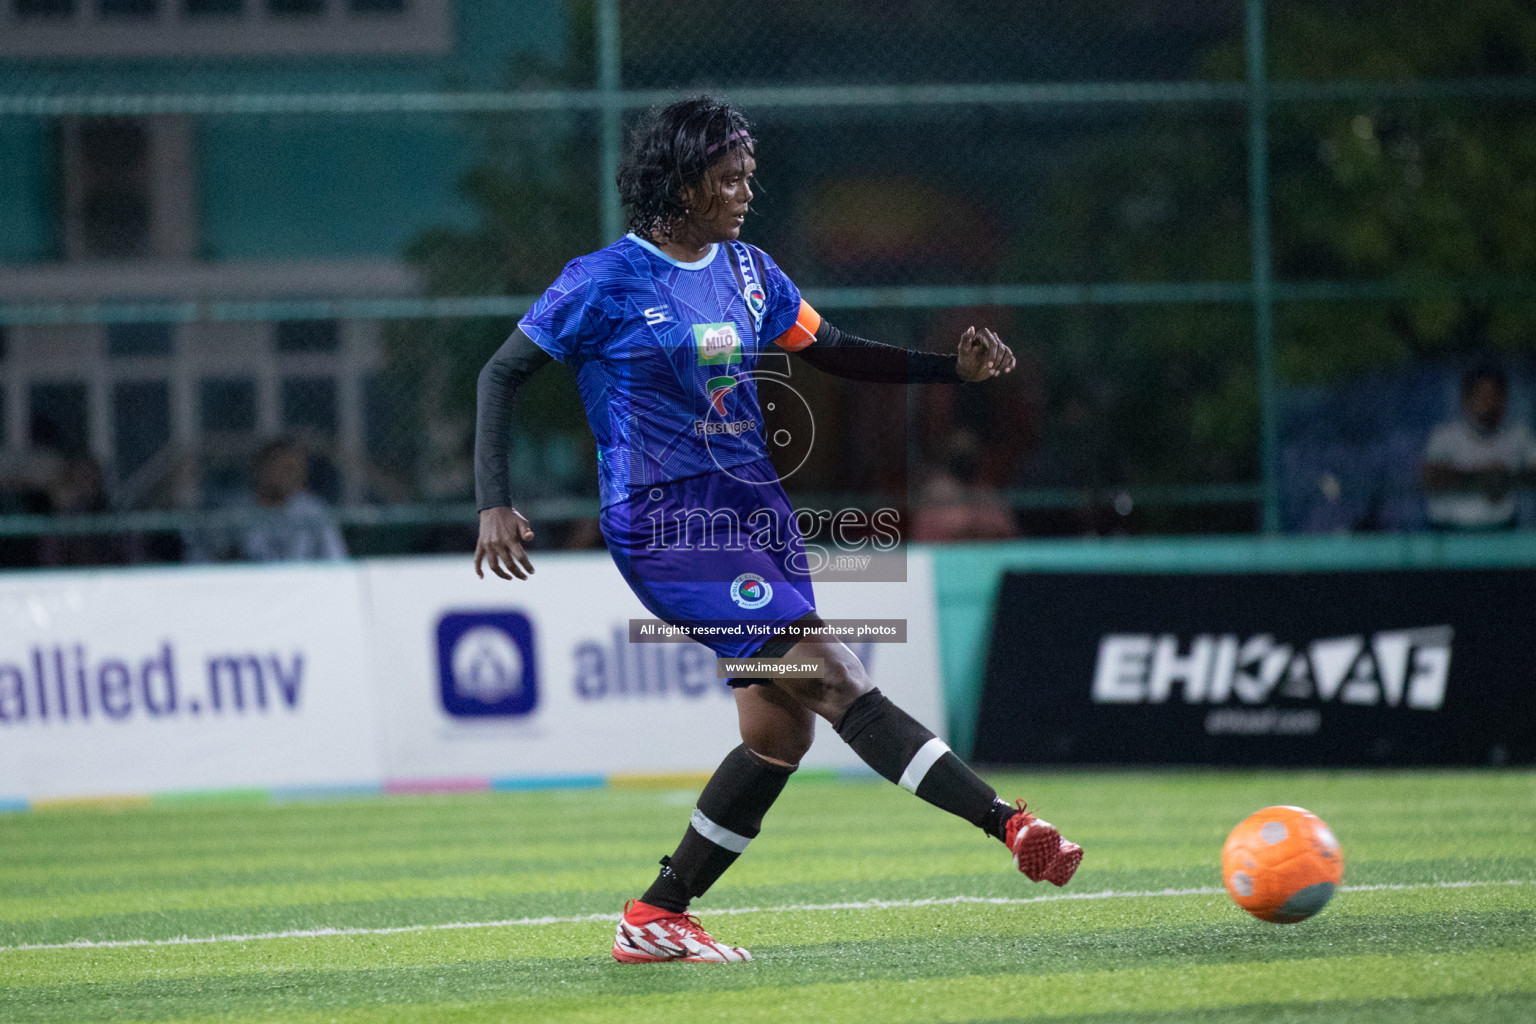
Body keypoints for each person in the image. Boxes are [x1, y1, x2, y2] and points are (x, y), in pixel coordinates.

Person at [473, 97, 1080, 965]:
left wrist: (952, 369)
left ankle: (657, 915)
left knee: (778, 735)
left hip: (756, 513)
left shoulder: (750, 271)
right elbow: (501, 375)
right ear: (681, 183)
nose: (744, 191)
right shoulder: (603, 280)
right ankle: (1010, 823)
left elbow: (831, 348)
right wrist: (495, 498)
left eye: (749, 176)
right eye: (729, 177)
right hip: (668, 524)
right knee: (833, 674)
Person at [1421, 365, 1536, 530]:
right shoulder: (1445, 436)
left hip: (1504, 530)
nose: (1490, 403)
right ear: (1465, 399)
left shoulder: (1520, 435)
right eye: (1483, 396)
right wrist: (1480, 475)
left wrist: (1506, 476)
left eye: (1496, 396)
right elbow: (1430, 476)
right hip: (1451, 530)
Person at [238, 437, 348, 562]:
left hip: (303, 580)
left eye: (297, 470)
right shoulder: (237, 512)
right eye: (285, 468)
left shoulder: (313, 510)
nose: (292, 476)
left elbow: (337, 559)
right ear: (262, 468)